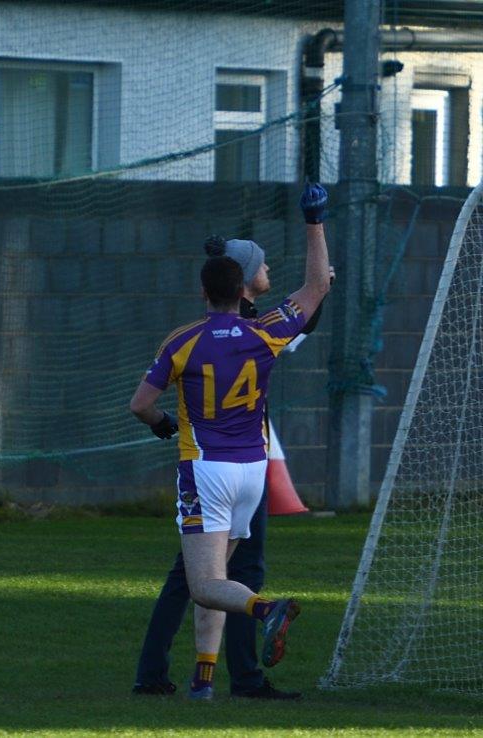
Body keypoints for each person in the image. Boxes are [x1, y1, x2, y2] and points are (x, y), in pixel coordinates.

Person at [127, 183, 330, 700]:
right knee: (216, 578)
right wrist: (314, 221)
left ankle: (267, 610)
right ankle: (203, 680)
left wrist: (160, 423)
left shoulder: (182, 340)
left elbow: (139, 405)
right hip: (252, 471)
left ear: (203, 293)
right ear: (243, 288)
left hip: (206, 467)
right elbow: (313, 290)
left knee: (204, 584)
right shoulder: (265, 332)